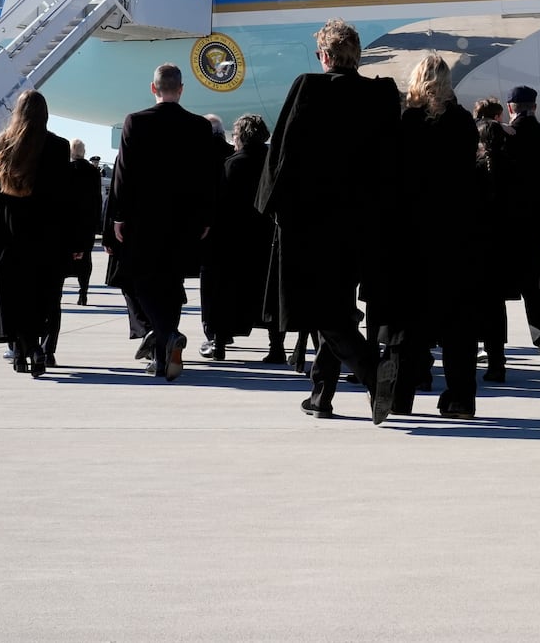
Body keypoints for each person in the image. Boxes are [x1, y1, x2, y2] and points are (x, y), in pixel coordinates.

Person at [257, 21, 399, 421]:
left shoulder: (309, 87)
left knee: (322, 312)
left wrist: (270, 205)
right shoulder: (381, 95)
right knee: (337, 306)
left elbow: (281, 154)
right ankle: (322, 394)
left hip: (313, 224)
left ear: (324, 55)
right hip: (365, 225)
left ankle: (374, 372)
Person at [382, 56, 482, 418]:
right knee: (458, 325)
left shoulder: (405, 121)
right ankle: (460, 398)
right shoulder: (462, 122)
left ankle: (399, 396)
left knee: (407, 324)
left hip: (411, 235)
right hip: (456, 234)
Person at [107, 64, 217, 382]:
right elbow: (208, 177)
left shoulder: (135, 122)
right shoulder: (198, 127)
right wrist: (207, 217)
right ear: (181, 89)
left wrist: (119, 216)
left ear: (153, 88)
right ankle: (162, 357)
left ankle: (166, 334)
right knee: (171, 284)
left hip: (144, 219)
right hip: (185, 220)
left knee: (140, 280)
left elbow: (123, 174)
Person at [0, 91, 79, 378]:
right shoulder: (59, 146)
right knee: (43, 294)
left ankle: (21, 353)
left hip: (11, 230)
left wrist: (1, 221)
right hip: (47, 231)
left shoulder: (4, 143)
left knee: (14, 294)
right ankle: (37, 347)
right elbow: (66, 196)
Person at [201, 114, 281, 362]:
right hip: (266, 239)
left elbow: (220, 205)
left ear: (241, 137)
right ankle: (275, 347)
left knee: (225, 293)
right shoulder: (273, 161)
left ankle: (220, 345)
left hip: (232, 241)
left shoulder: (232, 164)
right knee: (268, 295)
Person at [504, 86, 540, 368]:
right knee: (532, 286)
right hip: (534, 220)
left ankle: (491, 349)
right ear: (534, 106)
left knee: (494, 287)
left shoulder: (504, 138)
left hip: (504, 220)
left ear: (511, 107)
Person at [473, 97, 515, 382]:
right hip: (501, 245)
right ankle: (497, 360)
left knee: (474, 303)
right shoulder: (511, 170)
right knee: (495, 306)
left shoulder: (475, 171)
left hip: (476, 245)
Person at [68, 139, 103, 306]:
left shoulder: (65, 169)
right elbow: (97, 198)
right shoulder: (93, 171)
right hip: (87, 220)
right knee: (86, 258)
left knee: (65, 257)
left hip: (69, 220)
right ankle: (83, 292)